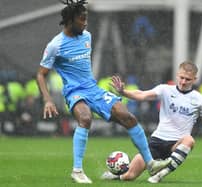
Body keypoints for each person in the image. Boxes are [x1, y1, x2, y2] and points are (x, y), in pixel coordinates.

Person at [36, 0, 170, 184]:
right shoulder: (55, 45)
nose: (85, 23)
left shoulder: (87, 36)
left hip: (93, 89)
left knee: (128, 117)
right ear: (70, 20)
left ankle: (150, 163)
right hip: (74, 91)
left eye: (86, 19)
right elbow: (41, 74)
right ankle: (77, 171)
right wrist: (47, 100)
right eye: (82, 20)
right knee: (85, 118)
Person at [102, 61, 202, 183]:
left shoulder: (200, 100)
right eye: (181, 77)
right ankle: (116, 176)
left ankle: (159, 175)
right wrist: (123, 92)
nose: (183, 81)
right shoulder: (165, 90)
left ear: (194, 79)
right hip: (157, 141)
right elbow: (142, 95)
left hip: (176, 144)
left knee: (189, 140)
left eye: (188, 79)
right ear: (177, 75)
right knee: (130, 176)